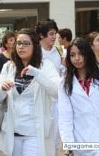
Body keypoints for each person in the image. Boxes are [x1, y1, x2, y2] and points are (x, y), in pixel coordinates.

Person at [0, 28, 60, 156]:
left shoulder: (45, 66)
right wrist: (2, 88)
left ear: (34, 45)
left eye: (26, 43)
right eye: (18, 43)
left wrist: (37, 74)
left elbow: (56, 91)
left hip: (34, 132)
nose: (21, 47)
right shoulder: (9, 67)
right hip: (13, 131)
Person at [58, 37, 99, 156]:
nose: (77, 58)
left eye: (80, 54)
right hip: (81, 142)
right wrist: (69, 145)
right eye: (72, 55)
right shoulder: (65, 82)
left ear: (88, 54)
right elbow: (65, 116)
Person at [35, 18, 61, 154]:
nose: (54, 37)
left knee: (56, 140)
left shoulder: (60, 52)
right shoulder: (35, 53)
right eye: (51, 33)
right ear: (41, 35)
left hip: (57, 102)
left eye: (55, 33)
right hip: (41, 101)